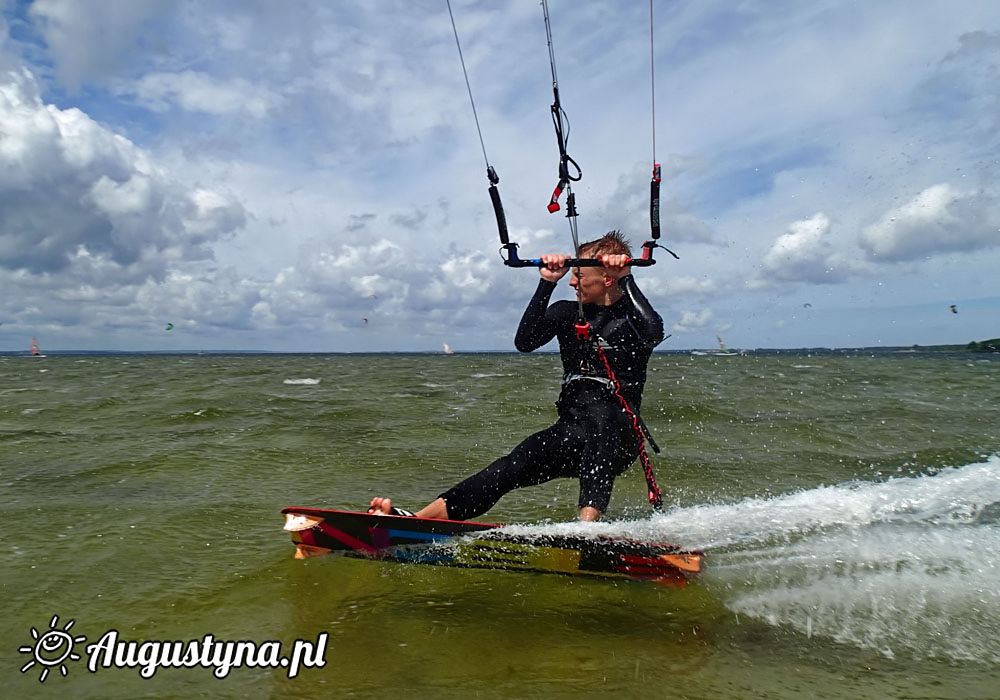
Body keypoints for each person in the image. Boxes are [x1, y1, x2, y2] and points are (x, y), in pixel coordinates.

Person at [370, 230, 665, 522]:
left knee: (603, 414)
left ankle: (588, 525)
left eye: (578, 275)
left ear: (607, 278)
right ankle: (418, 520)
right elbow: (525, 342)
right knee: (512, 465)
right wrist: (546, 283)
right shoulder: (566, 312)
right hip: (573, 431)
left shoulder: (632, 317)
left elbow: (653, 332)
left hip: (620, 438)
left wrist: (627, 276)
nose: (572, 281)